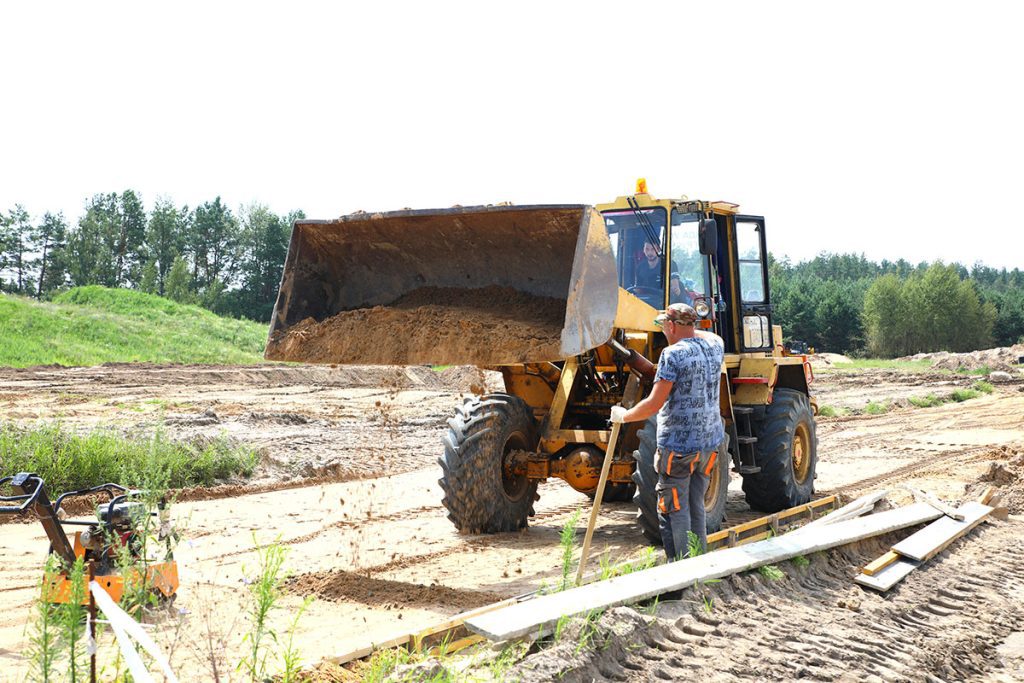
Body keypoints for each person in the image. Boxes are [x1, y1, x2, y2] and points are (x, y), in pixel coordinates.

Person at [610, 303, 725, 561]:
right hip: (708, 445)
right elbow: (704, 334)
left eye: (664, 325)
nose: (663, 329)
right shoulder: (715, 345)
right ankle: (699, 562)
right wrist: (689, 327)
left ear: (671, 326)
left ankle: (680, 568)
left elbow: (654, 403)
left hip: (678, 448)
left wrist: (624, 416)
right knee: (696, 504)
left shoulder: (671, 355)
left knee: (674, 509)